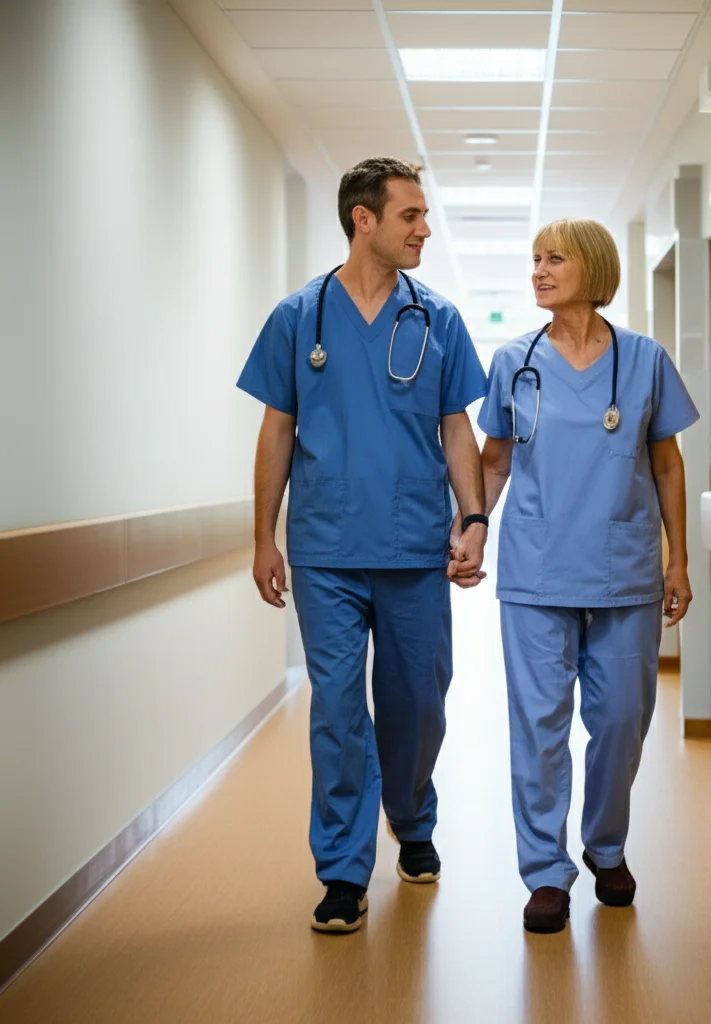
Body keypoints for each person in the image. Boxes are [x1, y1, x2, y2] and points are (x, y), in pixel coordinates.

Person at [237, 157, 489, 934]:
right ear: (364, 220)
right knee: (339, 709)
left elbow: (457, 428)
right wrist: (263, 537)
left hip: (414, 547)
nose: (424, 228)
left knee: (416, 703)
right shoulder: (299, 318)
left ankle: (412, 820)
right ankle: (344, 870)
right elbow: (278, 427)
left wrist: (474, 518)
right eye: (410, 214)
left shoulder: (436, 319)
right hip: (325, 551)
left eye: (424, 215)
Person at [477, 218, 698, 933]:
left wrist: (680, 558)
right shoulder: (516, 360)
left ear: (592, 268)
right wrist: (472, 528)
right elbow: (494, 459)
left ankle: (606, 846)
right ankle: (546, 872)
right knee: (539, 726)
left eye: (554, 259)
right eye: (534, 260)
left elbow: (666, 463)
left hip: (625, 570)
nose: (538, 271)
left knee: (622, 722)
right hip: (537, 573)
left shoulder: (644, 360)